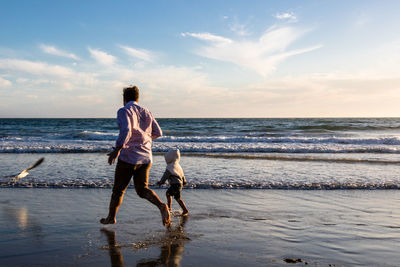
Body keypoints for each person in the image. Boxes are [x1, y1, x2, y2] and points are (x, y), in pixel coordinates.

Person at [100, 85, 170, 226]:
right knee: (142, 189)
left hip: (128, 157)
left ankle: (111, 218)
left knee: (118, 190)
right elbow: (158, 132)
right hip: (146, 157)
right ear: (138, 98)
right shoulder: (146, 111)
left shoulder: (124, 110)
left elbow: (126, 131)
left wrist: (117, 149)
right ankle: (162, 206)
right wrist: (143, 140)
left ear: (124, 98)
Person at [157, 149, 189, 216]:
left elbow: (165, 175)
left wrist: (161, 182)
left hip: (175, 184)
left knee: (169, 194)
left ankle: (170, 208)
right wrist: (184, 182)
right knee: (176, 197)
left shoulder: (170, 167)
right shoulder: (178, 166)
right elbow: (182, 175)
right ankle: (183, 209)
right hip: (179, 184)